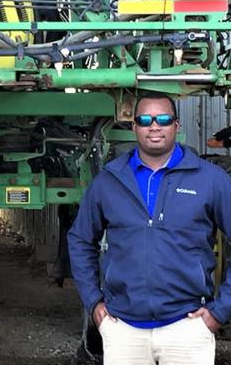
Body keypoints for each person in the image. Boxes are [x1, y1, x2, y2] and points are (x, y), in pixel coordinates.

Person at [68, 93, 231, 364]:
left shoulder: (210, 180)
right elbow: (80, 239)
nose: (154, 126)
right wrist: (94, 303)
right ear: (134, 127)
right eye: (145, 120)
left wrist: (221, 310)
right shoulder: (110, 180)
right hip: (123, 330)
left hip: (188, 327)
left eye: (163, 119)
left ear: (176, 126)